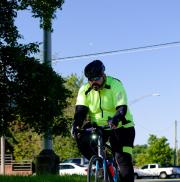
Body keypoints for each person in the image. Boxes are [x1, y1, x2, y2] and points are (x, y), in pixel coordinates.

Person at [71, 60, 135, 182]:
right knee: (81, 139)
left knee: (122, 159)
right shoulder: (84, 90)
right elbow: (80, 111)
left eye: (96, 78)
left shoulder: (115, 84)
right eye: (90, 79)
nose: (93, 82)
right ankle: (102, 166)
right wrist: (76, 124)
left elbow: (122, 107)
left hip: (121, 125)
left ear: (103, 75)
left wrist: (116, 119)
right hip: (98, 126)